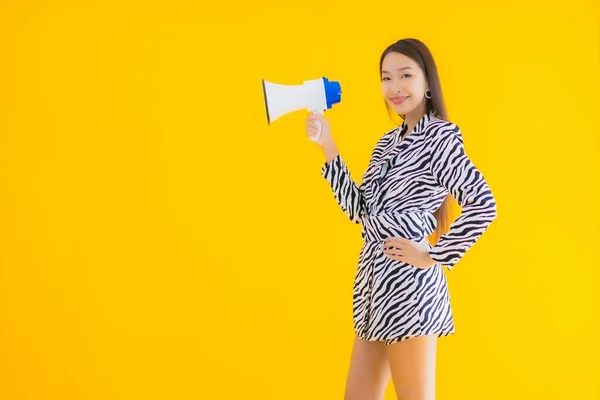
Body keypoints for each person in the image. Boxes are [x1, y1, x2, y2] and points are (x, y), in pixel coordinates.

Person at [305, 38, 498, 400]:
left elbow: (483, 204)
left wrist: (432, 256)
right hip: (372, 289)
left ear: (427, 82)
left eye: (405, 75)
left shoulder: (439, 137)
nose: (394, 87)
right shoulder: (386, 144)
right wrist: (327, 146)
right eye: (386, 78)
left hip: (410, 290)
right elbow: (361, 211)